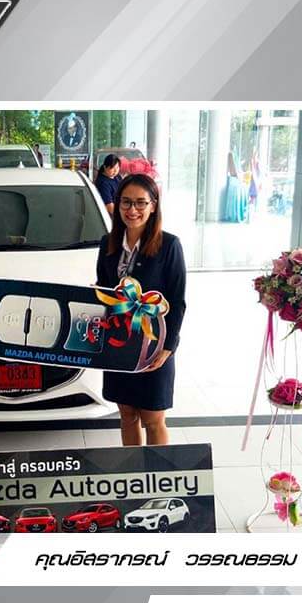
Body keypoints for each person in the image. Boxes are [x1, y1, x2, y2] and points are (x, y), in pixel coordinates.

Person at [96, 173, 186, 446]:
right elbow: (104, 290)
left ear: (153, 205)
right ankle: (133, 471)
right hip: (118, 343)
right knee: (127, 415)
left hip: (153, 344)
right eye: (125, 202)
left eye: (140, 203)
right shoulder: (108, 244)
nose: (132, 210)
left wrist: (168, 348)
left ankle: (157, 473)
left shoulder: (169, 245)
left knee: (153, 418)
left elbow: (177, 301)